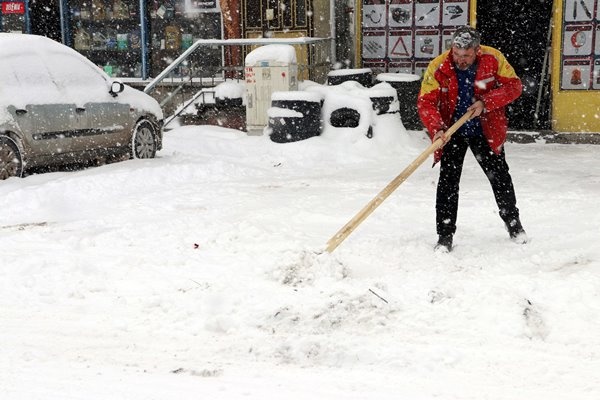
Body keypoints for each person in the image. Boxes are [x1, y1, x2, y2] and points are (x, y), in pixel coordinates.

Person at [417, 26, 527, 252]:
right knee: (448, 183)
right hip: (451, 132)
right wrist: (437, 128)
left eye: (466, 55)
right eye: (457, 54)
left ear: (477, 50)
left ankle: (513, 224)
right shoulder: (438, 66)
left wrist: (486, 102)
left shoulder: (493, 58)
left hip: (485, 130)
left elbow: (514, 86)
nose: (461, 59)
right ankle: (445, 235)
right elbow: (426, 102)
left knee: (499, 178)